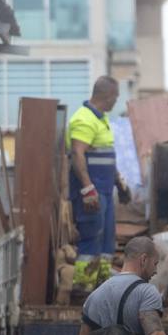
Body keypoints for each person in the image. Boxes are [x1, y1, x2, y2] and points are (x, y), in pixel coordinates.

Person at [67, 76, 131, 290]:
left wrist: (119, 184)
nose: (117, 101)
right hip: (92, 192)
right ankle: (84, 290)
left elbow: (106, 157)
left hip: (104, 191)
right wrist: (87, 189)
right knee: (91, 241)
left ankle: (101, 288)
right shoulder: (84, 119)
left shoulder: (101, 119)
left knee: (105, 244)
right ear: (109, 95)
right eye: (116, 96)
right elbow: (77, 154)